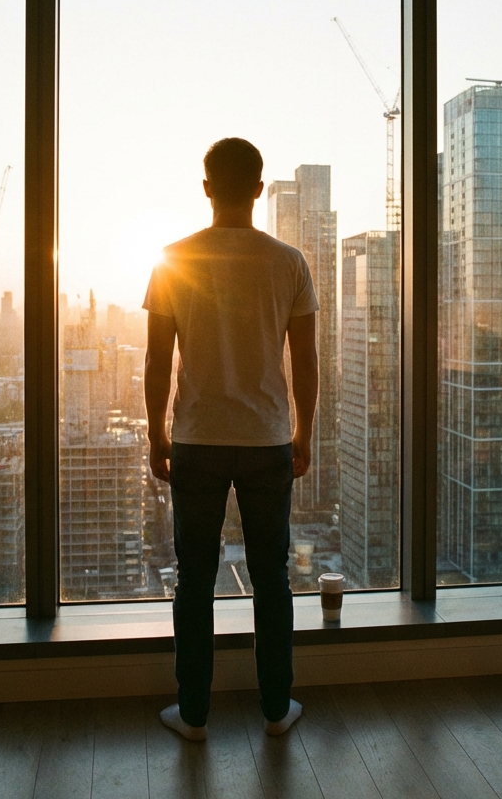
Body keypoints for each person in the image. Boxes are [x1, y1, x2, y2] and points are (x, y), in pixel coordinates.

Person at [143, 136, 319, 742]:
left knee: (195, 579)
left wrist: (155, 435)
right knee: (272, 577)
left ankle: (193, 714)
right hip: (268, 438)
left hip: (196, 436)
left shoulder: (173, 259)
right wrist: (304, 432)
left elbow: (155, 361)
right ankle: (276, 710)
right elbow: (307, 361)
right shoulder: (290, 262)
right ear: (259, 189)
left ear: (208, 188)